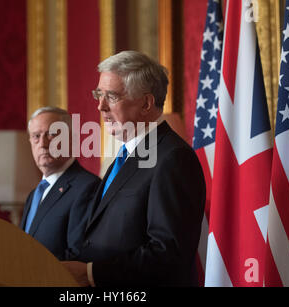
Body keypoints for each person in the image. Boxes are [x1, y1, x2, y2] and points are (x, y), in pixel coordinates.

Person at [62, 51, 206, 286]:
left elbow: (168, 254)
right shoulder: (125, 156)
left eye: (111, 96)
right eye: (99, 94)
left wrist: (90, 273)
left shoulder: (173, 159)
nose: (100, 106)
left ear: (146, 103)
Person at [20, 107, 101, 261]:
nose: (42, 144)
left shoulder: (87, 187)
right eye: (36, 136)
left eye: (52, 134)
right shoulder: (34, 195)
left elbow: (77, 254)